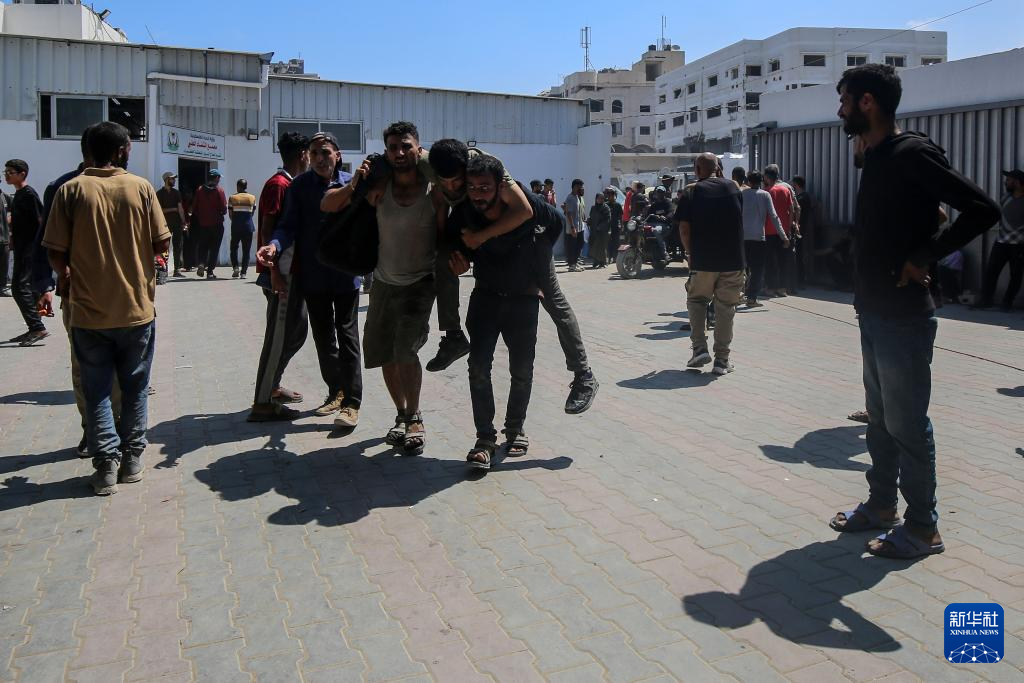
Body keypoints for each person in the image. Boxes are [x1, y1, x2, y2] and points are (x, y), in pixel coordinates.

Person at [829, 63, 1000, 559]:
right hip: (873, 309)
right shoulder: (876, 155)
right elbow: (927, 211)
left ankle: (923, 528)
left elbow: (981, 209)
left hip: (903, 315)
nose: (839, 110)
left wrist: (925, 255)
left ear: (867, 102)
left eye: (845, 100)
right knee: (880, 421)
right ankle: (882, 505)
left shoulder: (912, 152)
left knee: (906, 424)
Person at [422, 140, 599, 416]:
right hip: (506, 243)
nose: (452, 187)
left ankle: (583, 374)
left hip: (539, 232)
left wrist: (481, 237)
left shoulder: (494, 177)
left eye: (457, 181)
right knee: (444, 258)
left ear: (467, 172)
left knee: (553, 300)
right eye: (445, 183)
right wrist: (457, 254)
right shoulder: (439, 171)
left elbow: (526, 212)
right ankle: (453, 337)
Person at [42, 121, 171, 495]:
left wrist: (67, 276)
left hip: (87, 314)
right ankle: (132, 461)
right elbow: (162, 243)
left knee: (96, 391)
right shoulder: (141, 188)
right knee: (135, 389)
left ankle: (105, 468)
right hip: (135, 311)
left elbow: (54, 251)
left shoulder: (71, 190)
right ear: (121, 151)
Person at [449, 154, 555, 469]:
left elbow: (556, 225)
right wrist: (457, 263)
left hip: (524, 301)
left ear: (501, 187)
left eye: (485, 187)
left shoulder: (526, 208)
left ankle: (515, 428)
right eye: (472, 187)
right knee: (478, 367)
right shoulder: (465, 214)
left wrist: (541, 271)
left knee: (521, 371)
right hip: (485, 299)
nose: (478, 194)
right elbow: (453, 248)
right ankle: (485, 438)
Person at [259, 132, 362, 425]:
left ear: (337, 155)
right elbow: (287, 226)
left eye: (325, 152)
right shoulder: (300, 186)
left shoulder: (353, 184)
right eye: (314, 153)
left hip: (345, 276)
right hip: (313, 275)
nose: (319, 158)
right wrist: (274, 246)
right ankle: (336, 392)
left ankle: (352, 403)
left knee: (347, 336)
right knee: (323, 337)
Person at [352, 122, 442, 451]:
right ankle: (401, 414)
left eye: (406, 146)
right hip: (383, 283)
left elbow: (445, 234)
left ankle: (415, 416)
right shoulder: (379, 188)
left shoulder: (434, 191)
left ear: (419, 148)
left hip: (420, 284)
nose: (399, 152)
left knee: (405, 350)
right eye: (393, 147)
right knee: (384, 354)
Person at [247, 132, 310, 422]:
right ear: (302, 155)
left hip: (292, 272)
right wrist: (274, 272)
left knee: (296, 332)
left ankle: (272, 384)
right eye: (311, 154)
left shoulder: (291, 184)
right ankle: (263, 402)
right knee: (278, 337)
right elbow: (268, 229)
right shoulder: (279, 185)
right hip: (282, 274)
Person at [676, 153, 745, 376]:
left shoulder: (691, 191)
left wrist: (689, 253)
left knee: (697, 301)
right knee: (726, 308)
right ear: (719, 168)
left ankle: (699, 349)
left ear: (697, 170)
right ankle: (722, 361)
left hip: (704, 260)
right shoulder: (734, 187)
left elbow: (684, 229)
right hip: (733, 260)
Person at [4, 159, 48, 346]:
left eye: (11, 172)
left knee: (19, 288)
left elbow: (41, 221)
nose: (7, 175)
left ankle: (37, 327)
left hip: (30, 250)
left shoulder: (29, 194)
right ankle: (34, 326)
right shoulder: (18, 195)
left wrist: (40, 249)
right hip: (22, 249)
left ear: (22, 174)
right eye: (5, 172)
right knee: (24, 288)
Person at [975, 169, 1024, 310]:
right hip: (1001, 242)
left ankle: (1007, 303)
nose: (1006, 182)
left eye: (1009, 180)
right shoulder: (1005, 198)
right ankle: (986, 300)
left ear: (1018, 183)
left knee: (1016, 275)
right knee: (991, 271)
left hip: (1019, 245)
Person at [741, 170, 787, 307]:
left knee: (742, 267)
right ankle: (751, 298)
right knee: (757, 269)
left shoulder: (741, 194)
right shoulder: (765, 195)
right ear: (761, 181)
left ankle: (738, 294)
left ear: (748, 181)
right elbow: (774, 216)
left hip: (742, 237)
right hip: (758, 238)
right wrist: (783, 236)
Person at [762, 165, 797, 297]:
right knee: (783, 261)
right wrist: (788, 229)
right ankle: (782, 288)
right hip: (784, 231)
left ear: (766, 177)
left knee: (770, 262)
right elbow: (791, 210)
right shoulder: (786, 190)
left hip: (769, 231)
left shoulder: (766, 192)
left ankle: (770, 288)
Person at [190, 169, 227, 279]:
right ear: (216, 178)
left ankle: (201, 263)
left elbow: (194, 207)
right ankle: (210, 271)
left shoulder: (200, 190)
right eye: (219, 178)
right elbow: (224, 208)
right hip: (217, 224)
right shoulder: (219, 190)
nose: (219, 180)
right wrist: (221, 212)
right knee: (214, 248)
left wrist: (201, 216)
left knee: (203, 246)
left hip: (203, 224)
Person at [156, 172, 188, 277]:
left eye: (174, 179)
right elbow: (159, 210)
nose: (174, 181)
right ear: (166, 179)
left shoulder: (176, 193)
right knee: (164, 248)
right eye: (172, 179)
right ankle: (163, 270)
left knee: (178, 246)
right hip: (164, 224)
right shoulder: (159, 194)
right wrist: (173, 209)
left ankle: (176, 270)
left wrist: (183, 221)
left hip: (177, 223)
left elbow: (180, 208)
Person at [228, 179, 257, 278]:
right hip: (248, 226)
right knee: (246, 250)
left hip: (236, 226)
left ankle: (236, 267)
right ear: (246, 187)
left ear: (238, 187)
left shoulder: (232, 198)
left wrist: (236, 221)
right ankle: (243, 273)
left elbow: (230, 214)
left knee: (233, 248)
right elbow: (252, 212)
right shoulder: (252, 198)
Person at [791, 175, 814, 288]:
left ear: (796, 184)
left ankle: (800, 279)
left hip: (800, 229)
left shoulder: (801, 198)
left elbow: (795, 211)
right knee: (799, 254)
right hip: (802, 228)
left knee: (798, 255)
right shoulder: (805, 197)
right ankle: (800, 279)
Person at [563, 179, 586, 272]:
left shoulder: (577, 197)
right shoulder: (570, 198)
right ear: (575, 187)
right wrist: (572, 227)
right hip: (573, 227)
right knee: (572, 246)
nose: (581, 189)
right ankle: (571, 265)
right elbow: (568, 213)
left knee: (580, 244)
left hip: (580, 227)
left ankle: (575, 263)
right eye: (580, 187)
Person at [587, 192, 611, 268]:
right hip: (594, 230)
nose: (600, 200)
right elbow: (591, 217)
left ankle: (603, 262)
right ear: (596, 199)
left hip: (602, 231)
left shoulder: (606, 208)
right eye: (599, 198)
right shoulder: (593, 208)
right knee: (594, 246)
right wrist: (588, 221)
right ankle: (596, 262)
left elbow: (607, 219)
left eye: (602, 198)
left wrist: (600, 227)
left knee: (602, 247)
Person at [604, 187, 623, 260]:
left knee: (616, 242)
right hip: (608, 227)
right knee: (608, 242)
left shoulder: (618, 205)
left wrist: (621, 226)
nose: (610, 196)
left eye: (612, 195)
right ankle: (609, 257)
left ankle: (615, 257)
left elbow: (620, 217)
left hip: (615, 226)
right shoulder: (605, 205)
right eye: (609, 195)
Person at [0, 189, 10, 297]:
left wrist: (10, 219)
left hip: (4, 238)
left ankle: (2, 287)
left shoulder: (4, 196)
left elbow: (16, 209)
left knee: (4, 265)